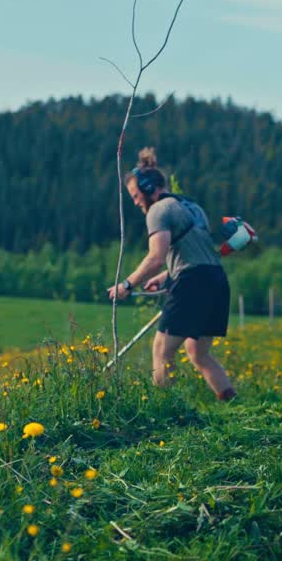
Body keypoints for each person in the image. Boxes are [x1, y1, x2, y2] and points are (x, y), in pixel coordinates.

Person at [107, 147, 237, 401]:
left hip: (193, 283)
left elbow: (156, 257)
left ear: (148, 188)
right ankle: (231, 402)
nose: (135, 202)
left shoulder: (158, 211)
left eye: (135, 195)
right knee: (197, 351)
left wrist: (127, 284)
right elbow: (197, 255)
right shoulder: (192, 207)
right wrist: (167, 276)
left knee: (161, 350)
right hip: (216, 280)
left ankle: (167, 411)